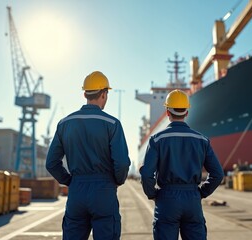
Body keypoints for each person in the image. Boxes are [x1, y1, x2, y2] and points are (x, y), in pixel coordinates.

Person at [46, 71, 131, 240]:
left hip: (77, 191)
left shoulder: (64, 123)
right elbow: (121, 163)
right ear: (104, 94)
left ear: (85, 93)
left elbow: (51, 163)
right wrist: (117, 180)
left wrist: (70, 181)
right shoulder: (112, 124)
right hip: (104, 191)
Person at [139, 89, 224, 240]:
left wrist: (152, 194)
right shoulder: (202, 140)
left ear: (167, 112)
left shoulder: (157, 140)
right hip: (192, 200)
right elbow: (217, 174)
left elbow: (146, 174)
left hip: (166, 200)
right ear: (187, 112)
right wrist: (202, 192)